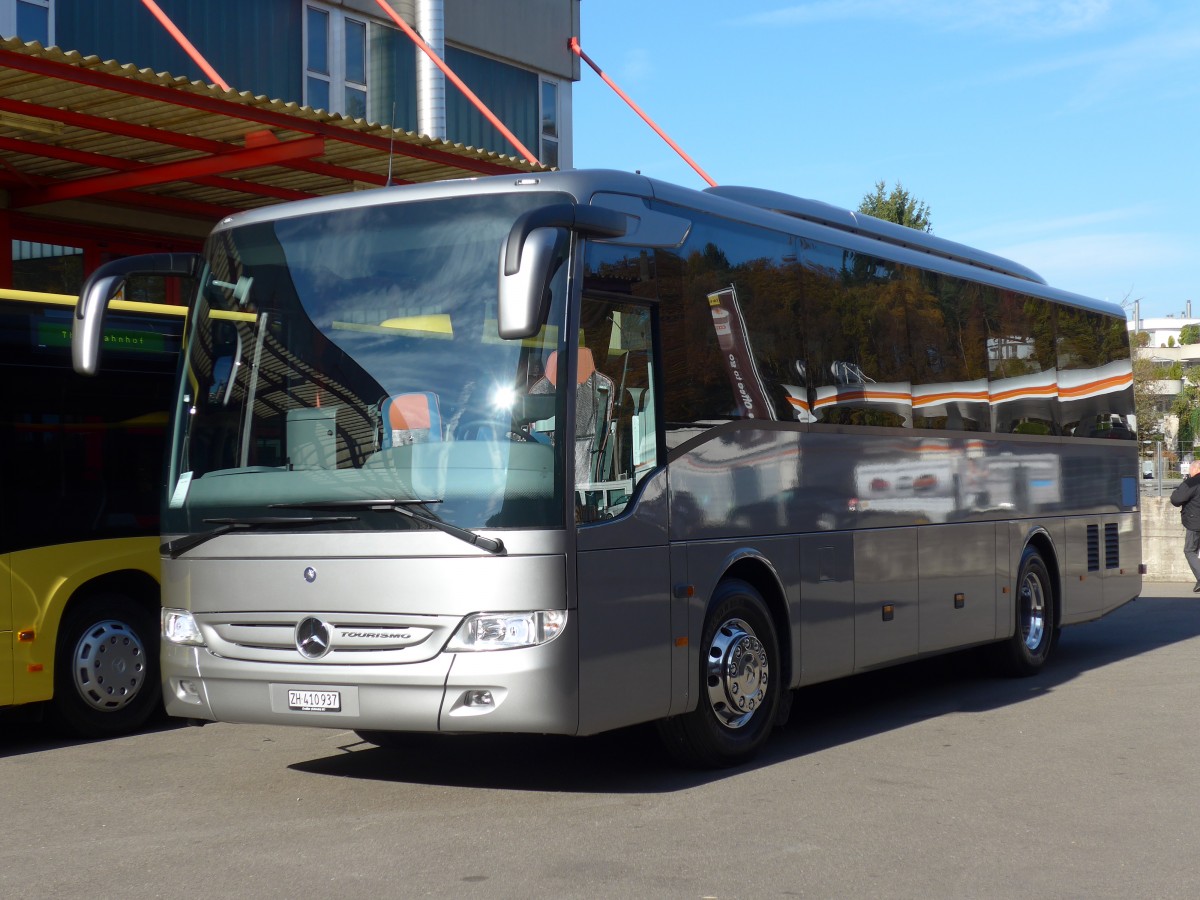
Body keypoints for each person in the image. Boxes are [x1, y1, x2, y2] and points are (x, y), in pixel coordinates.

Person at [1169, 459, 1200, 591]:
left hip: (1195, 522)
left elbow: (1176, 499)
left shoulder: (1191, 482)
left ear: (1194, 469)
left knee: (1190, 550)